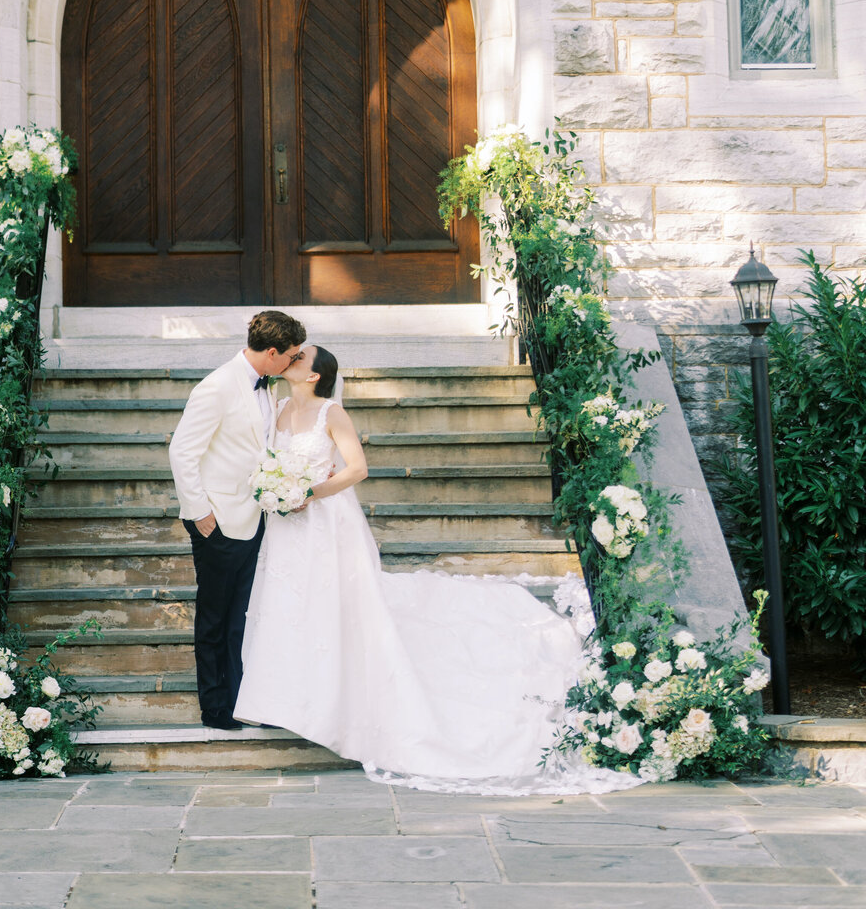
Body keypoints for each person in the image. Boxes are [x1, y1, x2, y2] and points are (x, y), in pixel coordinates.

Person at [235, 344, 637, 794]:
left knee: (333, 603)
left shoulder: (332, 413)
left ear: (314, 375)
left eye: (300, 357)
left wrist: (311, 491)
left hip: (326, 518)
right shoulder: (279, 404)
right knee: (289, 602)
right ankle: (286, 696)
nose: (291, 358)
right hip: (288, 525)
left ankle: (329, 701)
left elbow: (358, 469)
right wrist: (276, 488)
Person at [167, 308, 306, 731]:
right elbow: (182, 452)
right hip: (219, 521)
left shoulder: (265, 388)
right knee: (214, 618)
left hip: (255, 518)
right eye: (292, 356)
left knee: (242, 618)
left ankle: (243, 701)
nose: (295, 363)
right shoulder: (217, 386)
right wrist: (200, 514)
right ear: (271, 352)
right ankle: (214, 707)